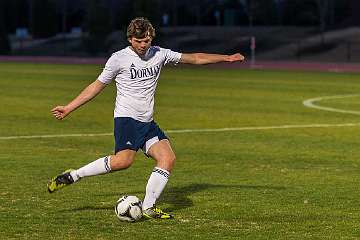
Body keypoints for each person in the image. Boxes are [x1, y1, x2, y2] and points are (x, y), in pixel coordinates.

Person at [47, 17, 244, 219]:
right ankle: (74, 175)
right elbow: (96, 86)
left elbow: (194, 58)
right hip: (127, 119)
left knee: (167, 158)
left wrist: (226, 58)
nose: (143, 45)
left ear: (151, 39)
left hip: (147, 121)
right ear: (130, 39)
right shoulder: (118, 59)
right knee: (123, 162)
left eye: (146, 41)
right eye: (138, 41)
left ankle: (149, 208)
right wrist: (69, 108)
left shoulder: (160, 54)